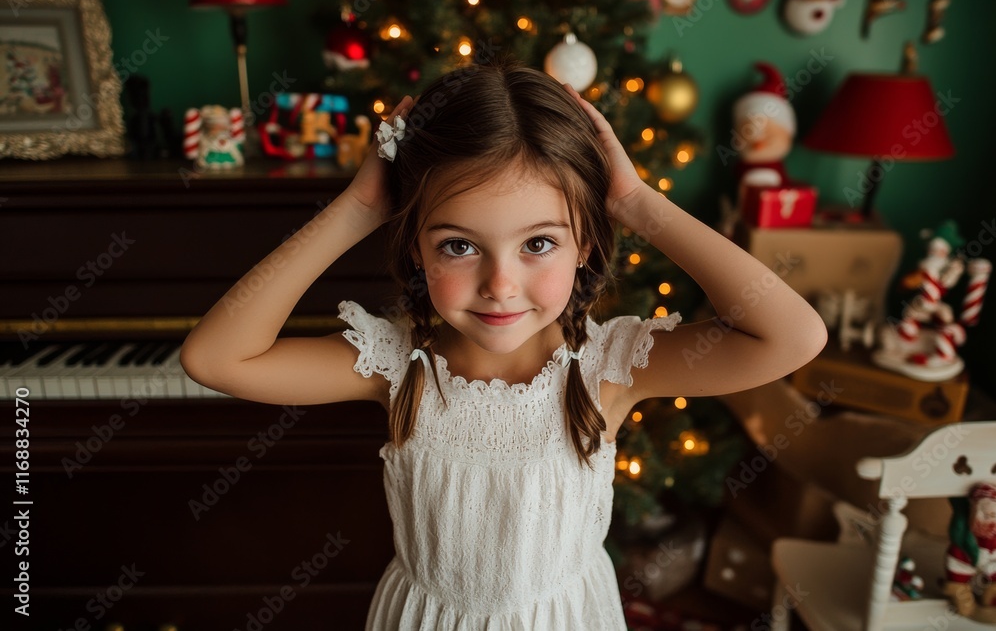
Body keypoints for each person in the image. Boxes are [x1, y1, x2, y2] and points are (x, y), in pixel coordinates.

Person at [180, 56, 827, 630]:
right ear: (415, 245)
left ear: (585, 246)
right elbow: (214, 357)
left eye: (538, 242)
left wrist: (633, 200)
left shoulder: (614, 367)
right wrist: (357, 207)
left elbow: (794, 336)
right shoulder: (395, 362)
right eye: (458, 245)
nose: (500, 284)